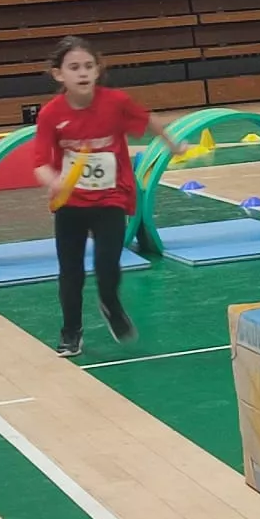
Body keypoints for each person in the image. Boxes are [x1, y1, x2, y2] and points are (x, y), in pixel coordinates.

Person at [31, 36, 183, 357]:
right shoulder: (50, 114)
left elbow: (148, 120)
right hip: (70, 204)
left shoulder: (115, 102)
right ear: (59, 75)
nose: (82, 73)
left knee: (107, 265)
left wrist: (171, 143)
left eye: (88, 66)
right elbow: (40, 162)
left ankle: (110, 303)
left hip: (111, 199)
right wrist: (54, 180)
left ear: (98, 70)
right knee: (70, 271)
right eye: (74, 67)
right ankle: (70, 331)